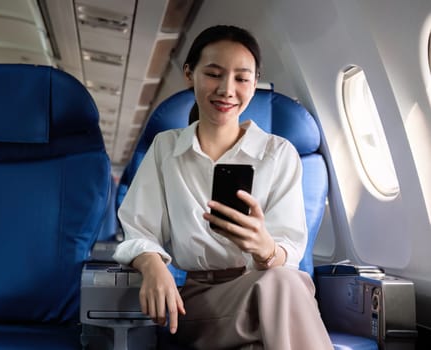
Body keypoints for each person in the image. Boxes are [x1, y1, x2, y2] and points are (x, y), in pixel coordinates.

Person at [113, 25, 333, 349]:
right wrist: (151, 263)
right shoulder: (165, 149)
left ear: (254, 83)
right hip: (199, 303)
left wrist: (265, 248)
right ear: (190, 74)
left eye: (242, 79)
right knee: (284, 284)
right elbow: (137, 229)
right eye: (214, 74)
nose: (227, 90)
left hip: (270, 291)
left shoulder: (280, 154)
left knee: (278, 290)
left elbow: (288, 249)